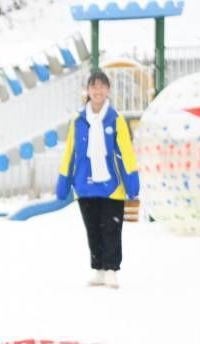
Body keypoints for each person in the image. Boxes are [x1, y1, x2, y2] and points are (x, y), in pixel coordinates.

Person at [55, 71, 139, 289]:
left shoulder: (116, 119)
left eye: (102, 86)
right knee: (92, 229)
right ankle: (99, 268)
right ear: (88, 90)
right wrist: (64, 180)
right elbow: (70, 152)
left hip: (112, 186)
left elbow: (125, 152)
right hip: (85, 183)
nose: (98, 90)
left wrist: (132, 181)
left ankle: (111, 268)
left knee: (111, 229)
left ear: (108, 90)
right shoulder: (78, 121)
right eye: (94, 86)